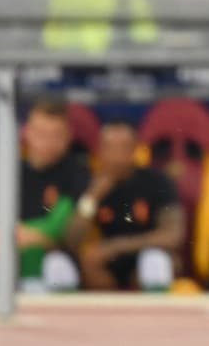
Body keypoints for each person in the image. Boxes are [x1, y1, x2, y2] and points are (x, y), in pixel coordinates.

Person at [0, 96, 89, 292]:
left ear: (68, 136)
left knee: (55, 263)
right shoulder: (4, 168)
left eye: (55, 135)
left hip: (45, 261)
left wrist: (18, 234)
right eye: (41, 133)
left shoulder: (76, 172)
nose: (47, 143)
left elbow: (57, 229)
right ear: (27, 132)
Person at [64, 120, 185, 291]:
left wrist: (116, 246)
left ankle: (154, 315)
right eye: (110, 148)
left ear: (136, 150)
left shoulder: (157, 181)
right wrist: (92, 197)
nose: (117, 156)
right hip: (104, 263)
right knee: (85, 260)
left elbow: (173, 235)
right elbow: (71, 240)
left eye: (124, 148)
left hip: (142, 253)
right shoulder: (87, 182)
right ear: (99, 151)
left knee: (156, 261)